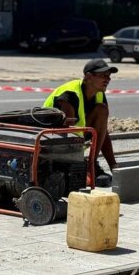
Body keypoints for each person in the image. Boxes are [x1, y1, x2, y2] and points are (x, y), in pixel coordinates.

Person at [43, 58, 119, 188]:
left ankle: (91, 165)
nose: (107, 79)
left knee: (102, 110)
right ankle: (86, 168)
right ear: (88, 76)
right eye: (102, 75)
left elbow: (102, 132)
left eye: (108, 76)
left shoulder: (99, 94)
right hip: (52, 142)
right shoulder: (70, 95)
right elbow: (67, 135)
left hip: (75, 140)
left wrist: (115, 168)